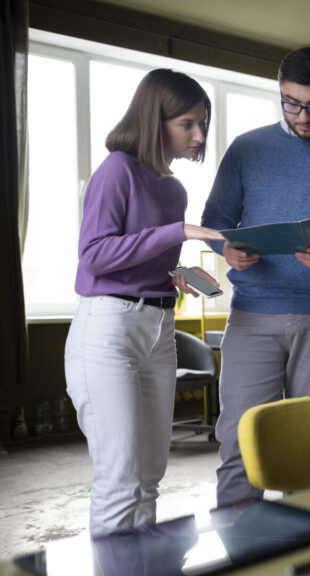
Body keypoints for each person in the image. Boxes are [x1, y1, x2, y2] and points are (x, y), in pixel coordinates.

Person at [202, 47, 310, 506]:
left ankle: (305, 555)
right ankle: (240, 556)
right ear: (280, 94)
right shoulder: (247, 149)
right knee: (241, 437)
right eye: (291, 102)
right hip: (253, 314)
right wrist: (227, 248)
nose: (303, 115)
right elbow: (215, 219)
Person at [64, 68, 223, 535]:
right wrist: (178, 232)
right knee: (120, 476)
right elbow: (94, 257)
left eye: (202, 125)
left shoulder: (174, 188)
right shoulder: (117, 169)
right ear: (156, 120)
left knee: (150, 474)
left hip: (159, 330)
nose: (198, 136)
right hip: (108, 329)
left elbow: (148, 259)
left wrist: (182, 275)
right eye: (187, 124)